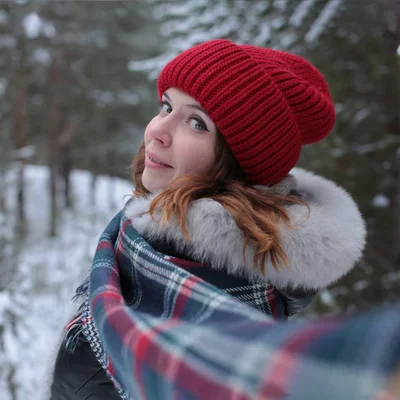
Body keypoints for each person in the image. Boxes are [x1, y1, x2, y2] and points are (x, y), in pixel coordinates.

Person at [48, 39, 399, 400]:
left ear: (236, 162)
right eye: (166, 105)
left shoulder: (220, 306)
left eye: (196, 122)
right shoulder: (140, 250)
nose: (157, 130)